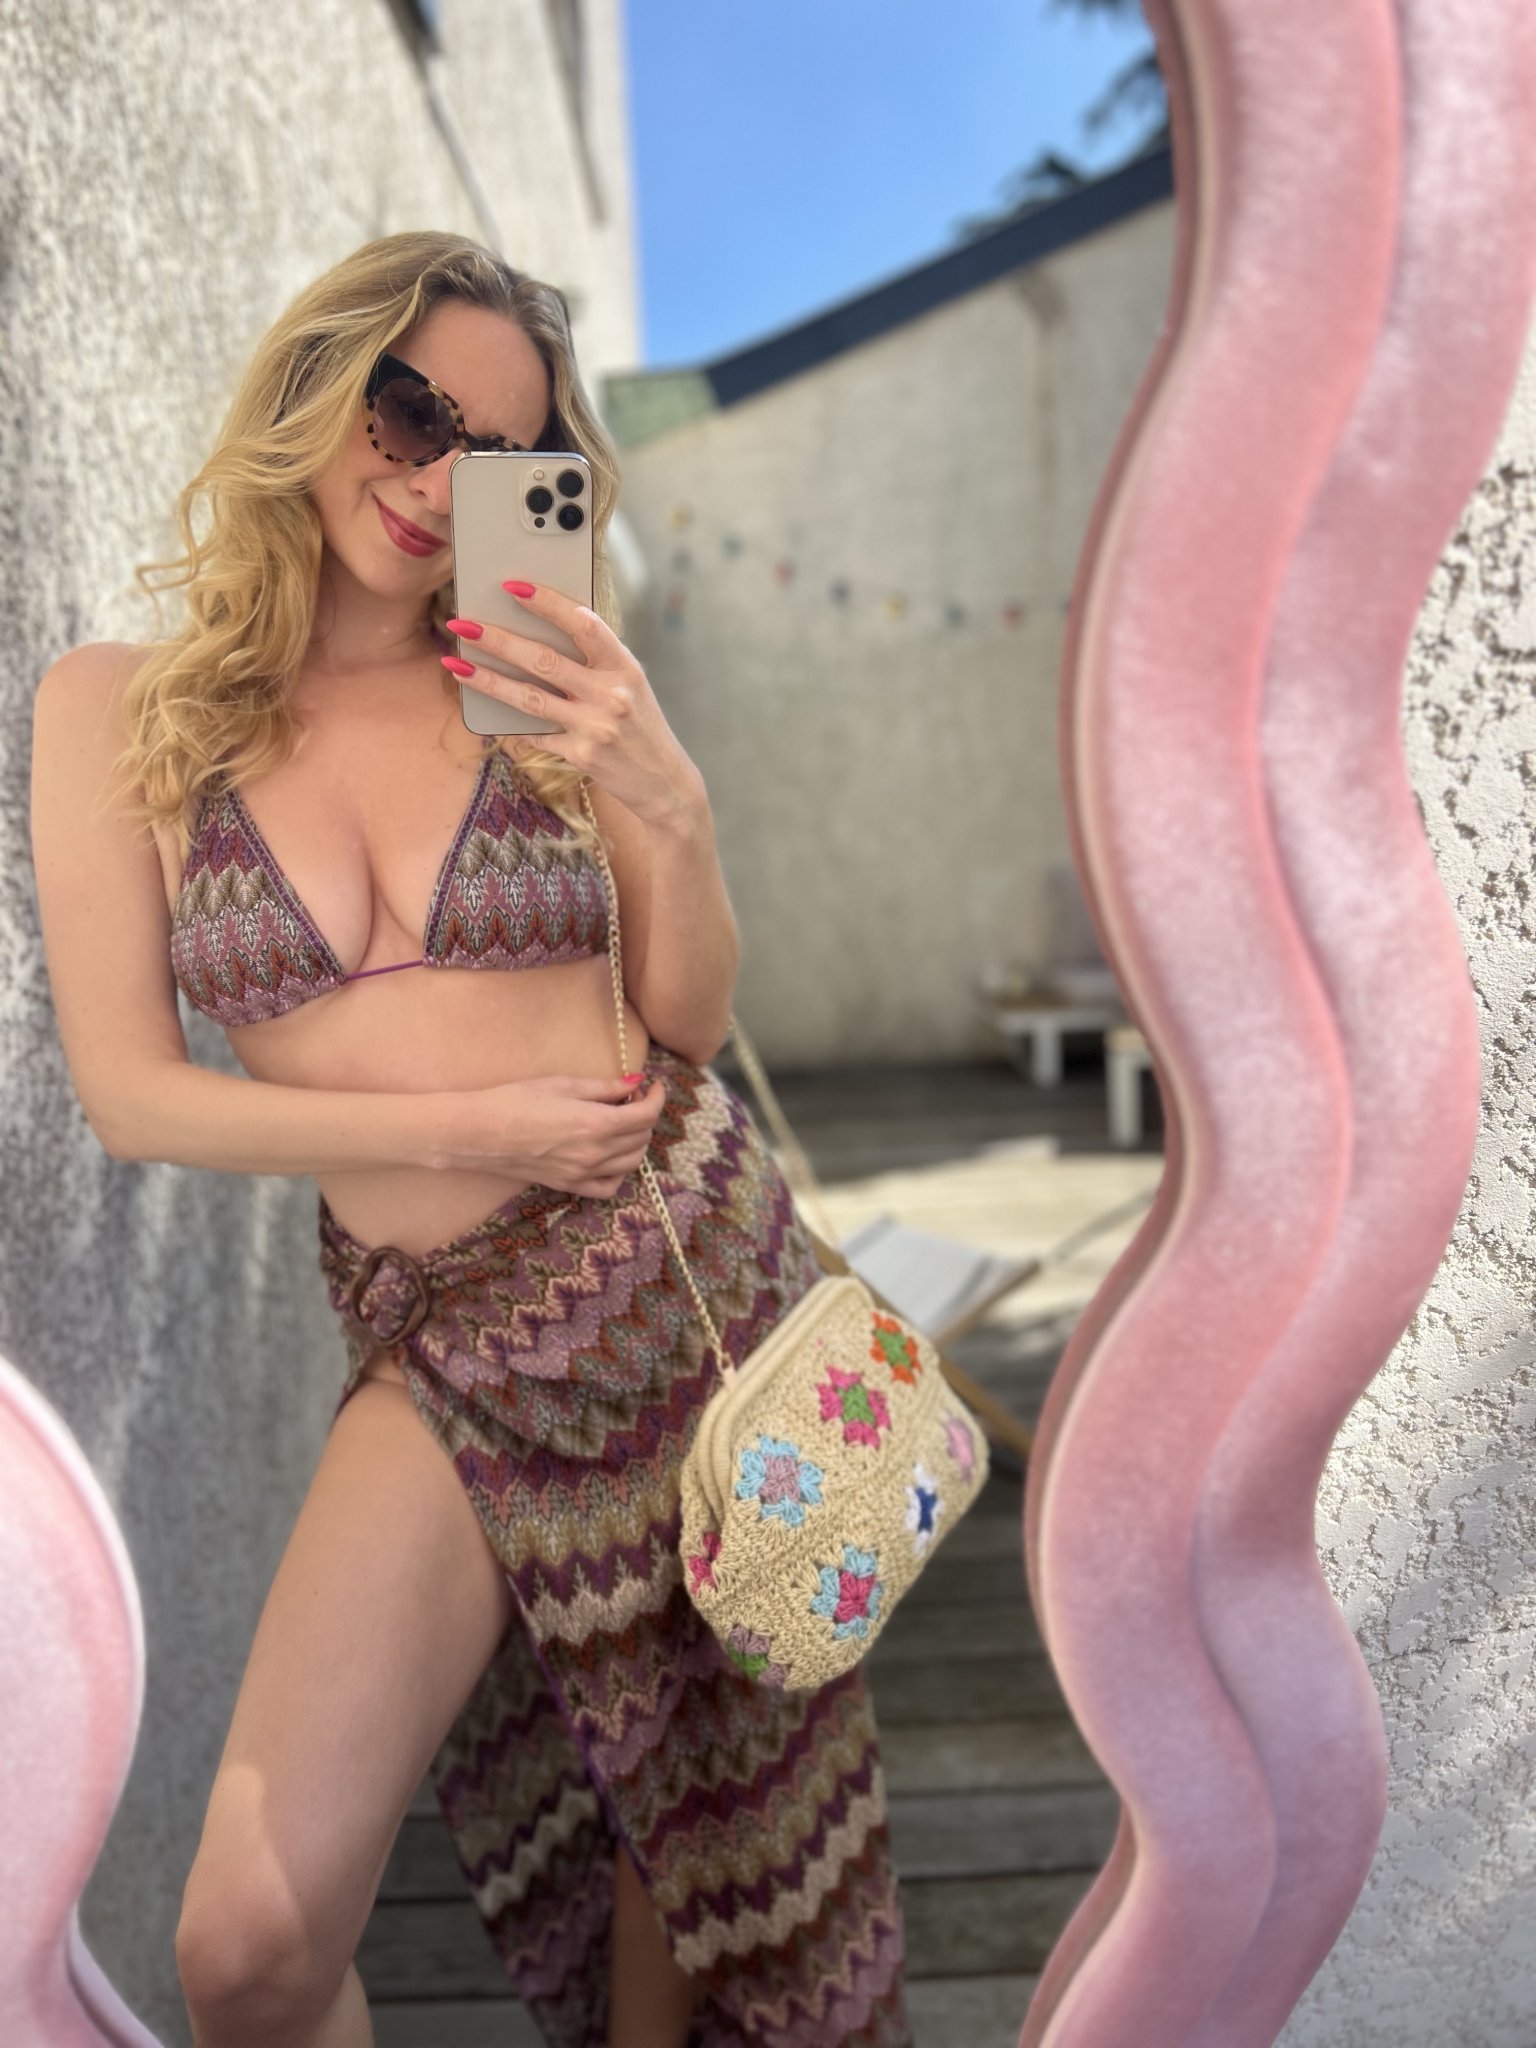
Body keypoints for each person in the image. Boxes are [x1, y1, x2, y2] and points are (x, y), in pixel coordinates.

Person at [29, 232, 912, 2048]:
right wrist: (473, 1123)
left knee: (703, 1848)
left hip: (686, 1291)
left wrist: (670, 804)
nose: (441, 483)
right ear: (320, 381)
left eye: (503, 457)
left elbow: (683, 1017)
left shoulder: (536, 670)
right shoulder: (120, 711)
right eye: (413, 413)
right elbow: (132, 1093)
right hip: (442, 1348)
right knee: (250, 1948)